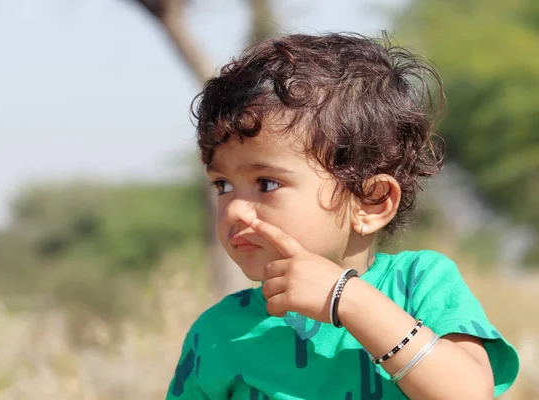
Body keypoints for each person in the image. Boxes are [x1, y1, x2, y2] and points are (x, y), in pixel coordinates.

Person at [166, 32, 519, 399]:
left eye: (266, 183)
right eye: (222, 185)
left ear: (371, 202)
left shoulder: (420, 285)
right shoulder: (218, 334)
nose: (235, 209)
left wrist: (347, 299)